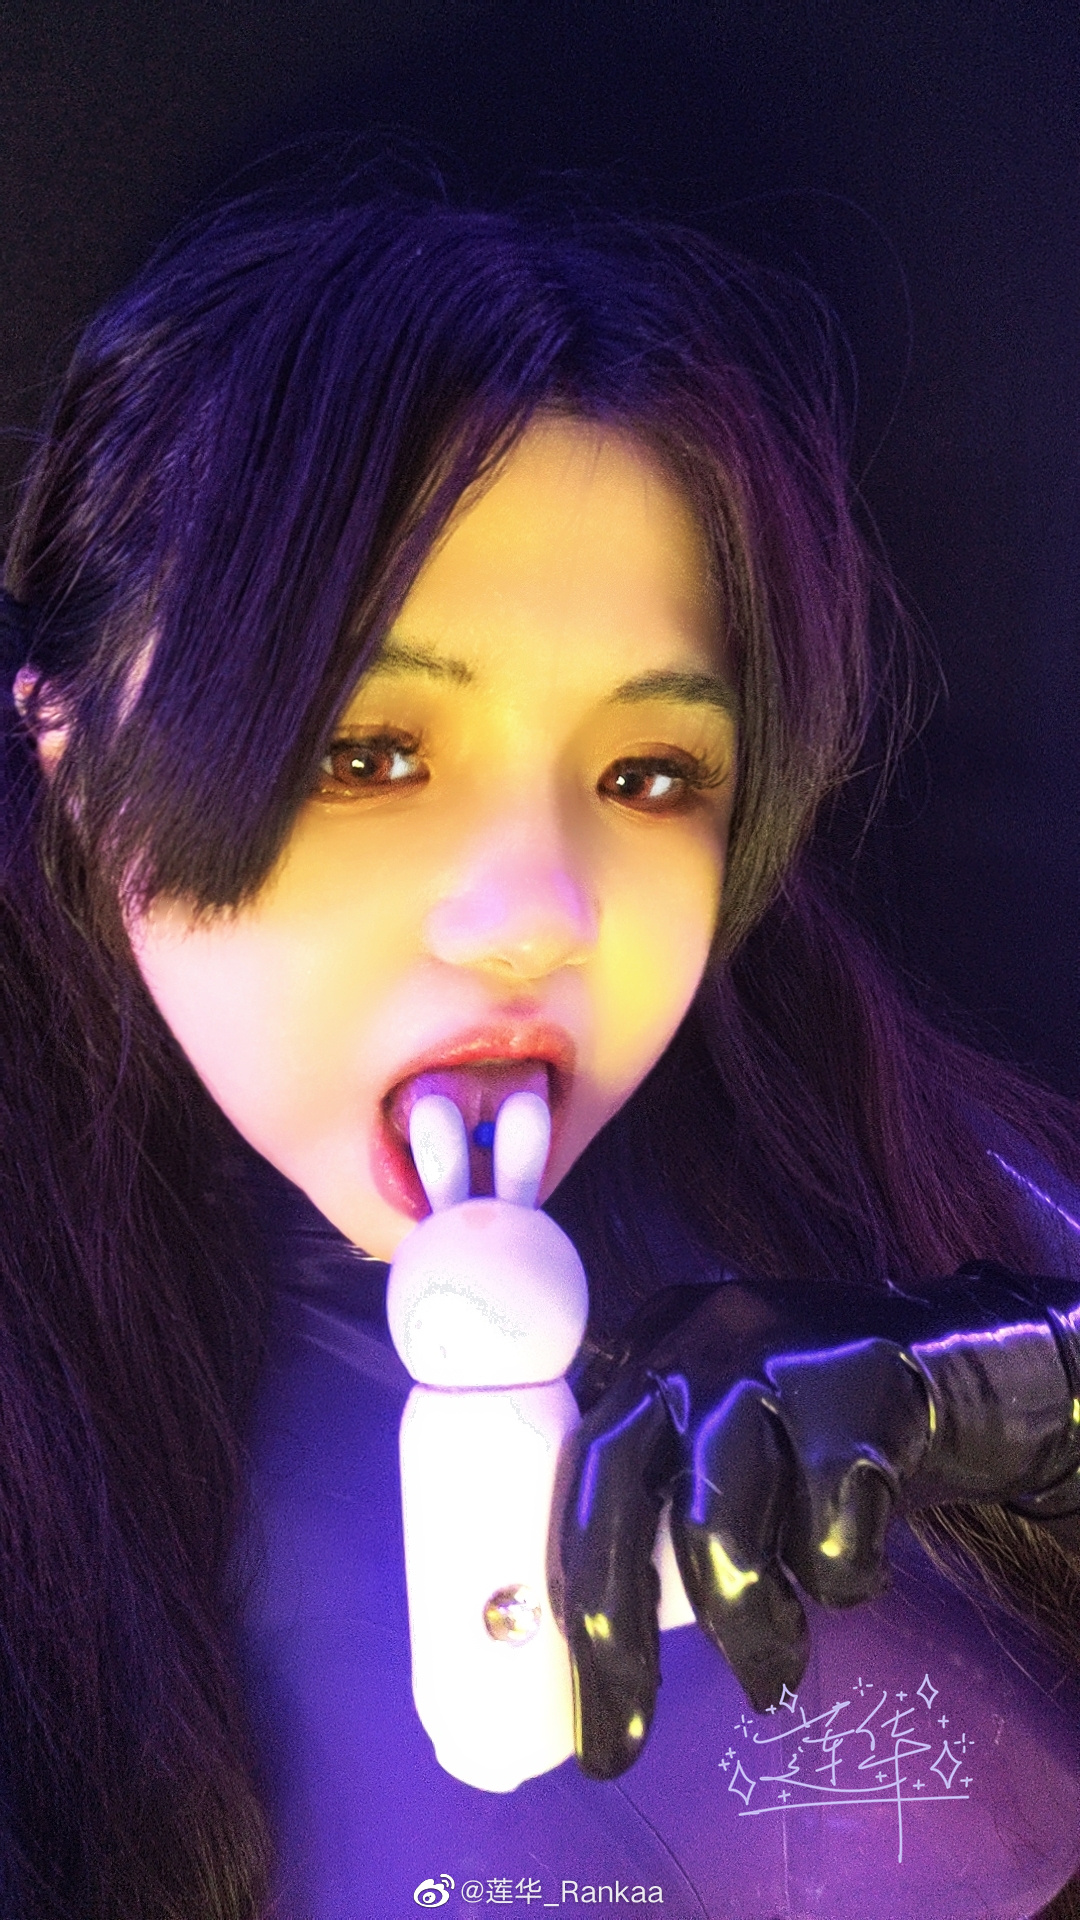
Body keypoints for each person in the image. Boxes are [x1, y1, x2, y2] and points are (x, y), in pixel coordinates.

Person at [2, 159, 1080, 1920]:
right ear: (69, 748)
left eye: (650, 776)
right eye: (364, 752)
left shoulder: (877, 1165)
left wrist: (1026, 1397)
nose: (534, 913)